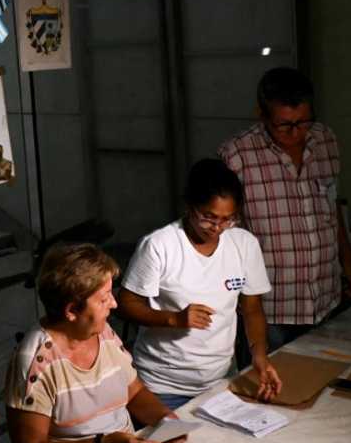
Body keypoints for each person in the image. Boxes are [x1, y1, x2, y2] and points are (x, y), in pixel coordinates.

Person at [5, 243, 185, 443]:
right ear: (71, 310)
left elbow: (135, 392)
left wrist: (165, 420)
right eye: (103, 299)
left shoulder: (102, 332)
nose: (114, 304)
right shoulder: (34, 362)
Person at [218, 67, 351, 353]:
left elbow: (331, 208)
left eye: (303, 122)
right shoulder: (236, 156)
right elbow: (224, 235)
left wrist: (348, 261)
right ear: (261, 115)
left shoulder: (325, 140)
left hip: (324, 296)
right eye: (284, 125)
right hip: (270, 308)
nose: (296, 133)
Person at [117, 159, 283, 412]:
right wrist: (174, 319)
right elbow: (126, 304)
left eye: (228, 219)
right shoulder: (160, 245)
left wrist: (259, 357)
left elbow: (251, 308)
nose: (217, 228)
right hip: (162, 386)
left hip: (221, 381)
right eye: (208, 217)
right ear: (189, 206)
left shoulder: (244, 244)